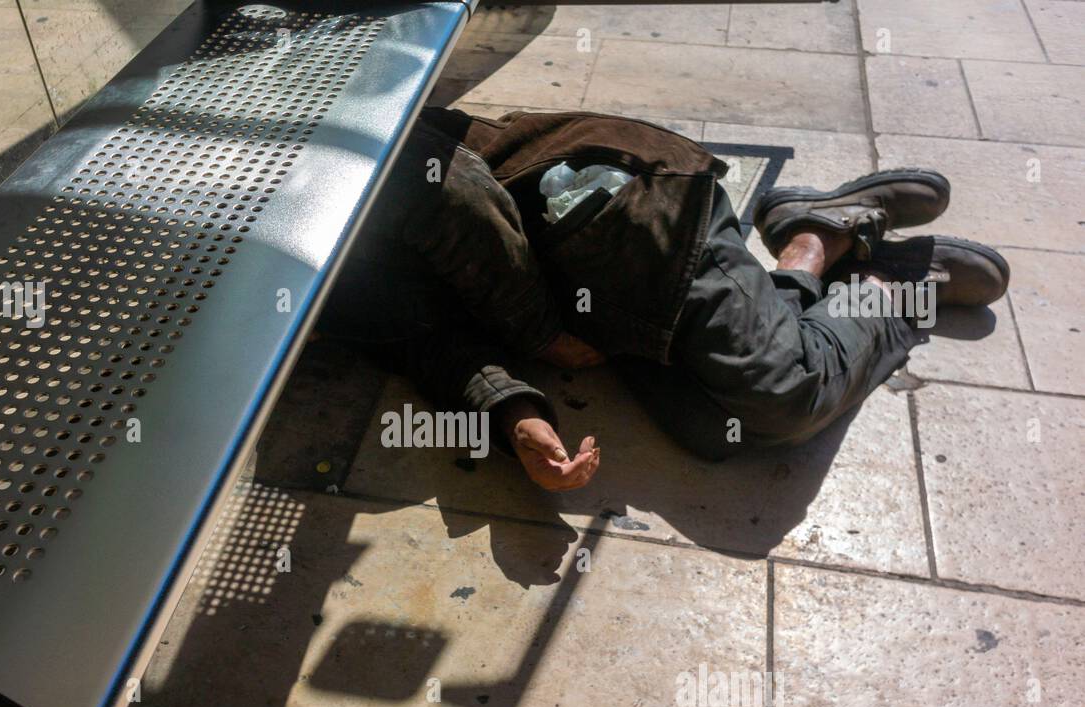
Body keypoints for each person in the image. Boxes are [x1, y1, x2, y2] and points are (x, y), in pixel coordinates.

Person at [320, 107, 1009, 491]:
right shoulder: (301, 295)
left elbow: (442, 184)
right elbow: (419, 335)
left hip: (600, 210)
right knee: (712, 429)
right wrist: (515, 415)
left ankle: (875, 283)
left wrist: (539, 336)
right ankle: (821, 234)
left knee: (783, 392)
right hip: (571, 288)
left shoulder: (288, 160)